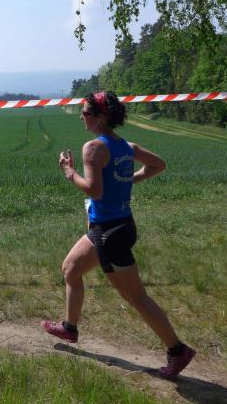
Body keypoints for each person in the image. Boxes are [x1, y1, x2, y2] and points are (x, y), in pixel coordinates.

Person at [41, 91, 195, 379]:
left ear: (101, 117)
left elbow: (94, 190)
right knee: (71, 268)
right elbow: (158, 165)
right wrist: (128, 179)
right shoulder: (126, 146)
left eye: (86, 113)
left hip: (109, 234)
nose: (81, 117)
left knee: (136, 297)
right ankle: (69, 328)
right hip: (115, 226)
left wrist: (68, 171)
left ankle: (178, 351)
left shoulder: (93, 148)